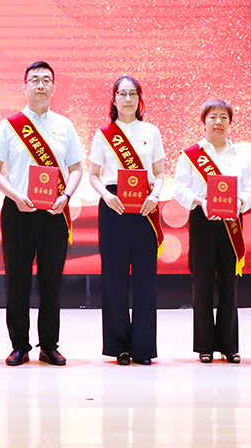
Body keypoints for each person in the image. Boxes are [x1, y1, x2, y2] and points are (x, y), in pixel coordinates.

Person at [0, 61, 84, 366]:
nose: (40, 85)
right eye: (34, 80)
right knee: (17, 280)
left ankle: (49, 345)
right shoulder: (9, 126)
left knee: (51, 281)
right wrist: (15, 196)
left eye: (46, 80)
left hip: (54, 211)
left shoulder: (64, 126)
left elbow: (76, 168)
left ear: (53, 86)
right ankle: (19, 345)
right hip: (18, 210)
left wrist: (66, 196)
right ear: (25, 86)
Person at [87, 75, 166, 365]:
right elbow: (93, 175)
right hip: (114, 207)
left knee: (146, 279)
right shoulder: (103, 134)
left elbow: (159, 173)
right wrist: (106, 197)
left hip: (144, 208)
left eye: (133, 93)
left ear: (139, 99)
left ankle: (143, 348)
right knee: (114, 279)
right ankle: (119, 346)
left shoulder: (151, 131)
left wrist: (155, 196)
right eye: (122, 93)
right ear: (114, 99)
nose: (128, 99)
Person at [173, 98, 251, 364]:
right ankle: (205, 346)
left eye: (223, 117)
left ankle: (229, 345)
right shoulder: (190, 155)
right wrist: (200, 201)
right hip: (203, 220)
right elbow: (179, 188)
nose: (218, 122)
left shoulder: (240, 156)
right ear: (203, 122)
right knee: (203, 284)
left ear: (230, 122)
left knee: (230, 284)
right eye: (212, 117)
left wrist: (240, 202)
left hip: (231, 223)